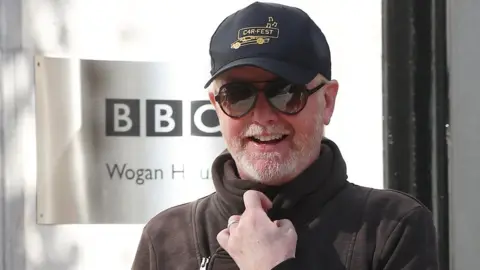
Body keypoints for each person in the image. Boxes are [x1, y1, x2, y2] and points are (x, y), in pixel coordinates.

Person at [132, 2, 439, 269]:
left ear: (327, 101)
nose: (263, 116)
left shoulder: (392, 227)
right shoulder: (167, 237)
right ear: (217, 107)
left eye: (286, 93)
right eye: (237, 95)